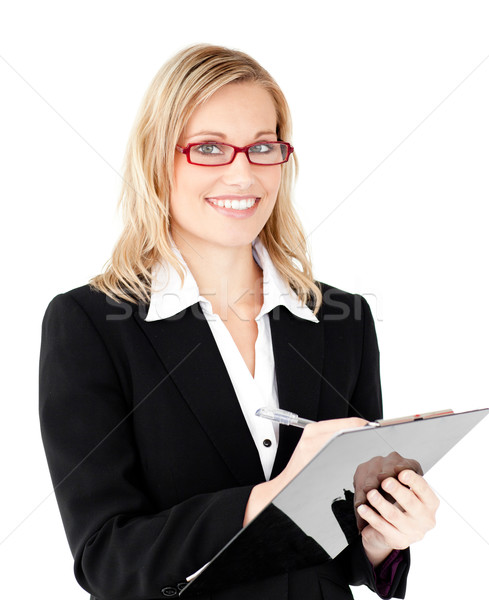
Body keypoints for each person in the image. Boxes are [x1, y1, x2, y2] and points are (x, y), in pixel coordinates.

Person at [39, 44, 439, 600]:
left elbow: (339, 551)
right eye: (209, 148)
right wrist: (270, 497)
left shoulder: (340, 319)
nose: (241, 173)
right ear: (159, 159)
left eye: (261, 147)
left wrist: (383, 538)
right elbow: (107, 559)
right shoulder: (90, 324)